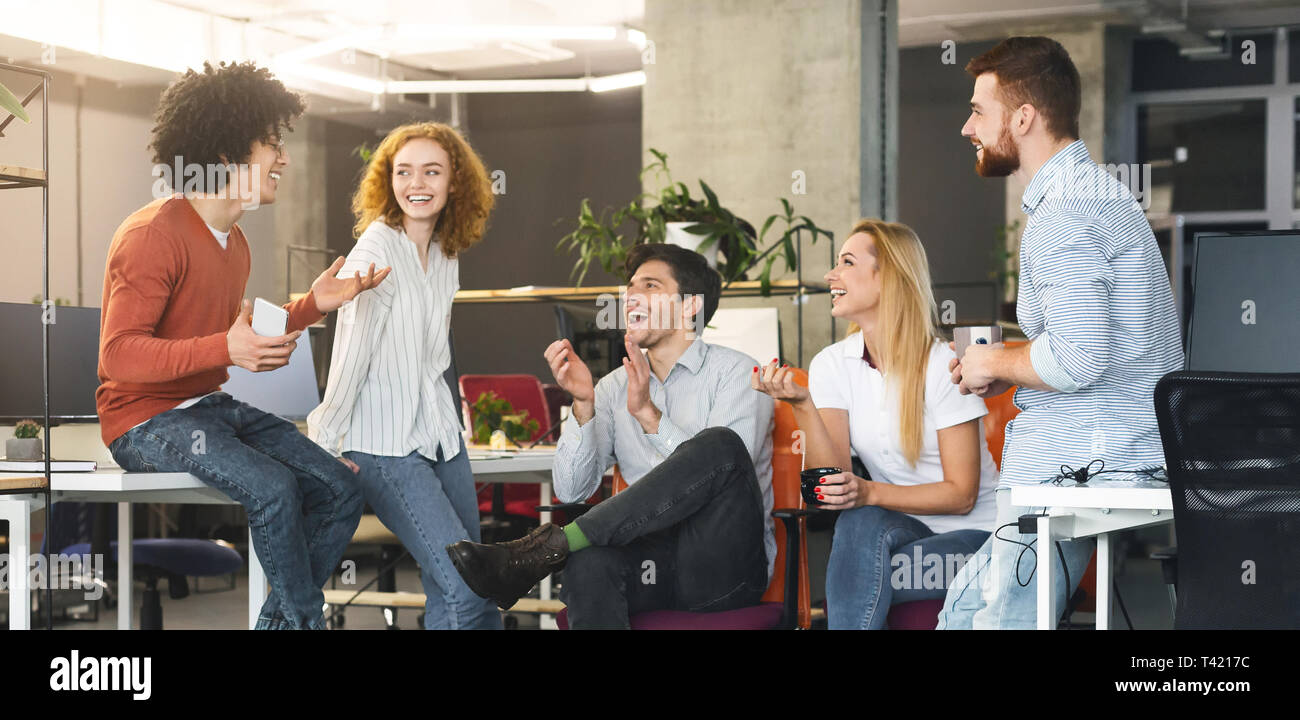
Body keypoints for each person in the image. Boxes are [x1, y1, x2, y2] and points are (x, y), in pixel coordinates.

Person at [97, 61, 389, 630]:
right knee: (275, 488)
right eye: (272, 144)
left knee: (339, 486)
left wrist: (312, 306)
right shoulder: (152, 235)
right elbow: (120, 355)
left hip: (205, 409)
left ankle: (280, 626)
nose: (283, 158)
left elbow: (233, 332)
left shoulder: (235, 242)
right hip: (143, 421)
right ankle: (306, 621)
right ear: (229, 155)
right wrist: (224, 351)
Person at [939, 37, 1183, 629]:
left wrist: (993, 363)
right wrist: (1010, 365)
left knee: (996, 625)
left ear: (1022, 118)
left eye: (978, 110)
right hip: (1089, 456)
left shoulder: (1069, 208)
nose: (966, 127)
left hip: (1079, 464)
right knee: (961, 615)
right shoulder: (1094, 195)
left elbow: (1077, 358)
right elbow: (1087, 347)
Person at [446, 243, 775, 629]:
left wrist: (648, 416)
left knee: (721, 444)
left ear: (690, 307)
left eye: (650, 285)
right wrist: (583, 403)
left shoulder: (740, 374)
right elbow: (570, 490)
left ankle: (543, 550)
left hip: (721, 570)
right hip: (652, 564)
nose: (631, 295)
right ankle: (552, 549)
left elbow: (726, 470)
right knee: (588, 564)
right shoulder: (612, 387)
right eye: (630, 286)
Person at [752, 219, 997, 630]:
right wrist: (803, 405)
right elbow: (829, 491)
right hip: (902, 529)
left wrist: (867, 491)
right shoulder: (832, 363)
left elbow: (961, 496)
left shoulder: (943, 365)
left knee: (856, 572)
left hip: (976, 537)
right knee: (858, 523)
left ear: (890, 278)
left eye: (846, 262)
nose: (831, 275)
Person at [307, 122, 500, 630]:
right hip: (384, 443)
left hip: (440, 436)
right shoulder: (376, 251)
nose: (418, 183)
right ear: (388, 181)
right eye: (404, 171)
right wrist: (324, 441)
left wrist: (455, 425)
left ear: (454, 181)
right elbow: (350, 355)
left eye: (432, 171)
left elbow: (433, 358)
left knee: (467, 584)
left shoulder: (444, 251)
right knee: (466, 587)